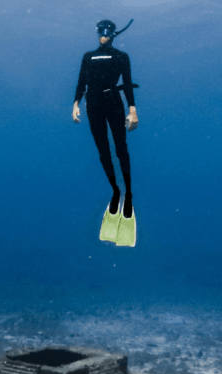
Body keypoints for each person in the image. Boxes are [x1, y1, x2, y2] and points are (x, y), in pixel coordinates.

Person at [73, 19, 139, 247]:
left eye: (107, 31)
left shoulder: (122, 57)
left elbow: (128, 84)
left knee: (121, 149)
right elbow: (82, 80)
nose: (103, 35)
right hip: (93, 104)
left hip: (114, 103)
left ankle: (128, 195)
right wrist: (75, 103)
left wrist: (133, 110)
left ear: (113, 34)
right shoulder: (88, 56)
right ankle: (115, 192)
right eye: (100, 31)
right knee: (103, 151)